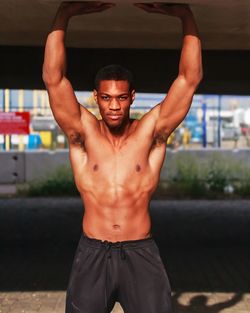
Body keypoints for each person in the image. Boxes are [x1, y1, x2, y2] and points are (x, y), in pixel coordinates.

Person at [42, 2, 202, 313]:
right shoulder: (83, 133)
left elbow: (189, 79)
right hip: (92, 254)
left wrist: (185, 15)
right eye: (106, 98)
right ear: (96, 98)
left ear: (132, 97)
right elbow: (53, 78)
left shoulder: (151, 133)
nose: (113, 106)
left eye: (120, 98)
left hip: (140, 253)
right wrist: (64, 14)